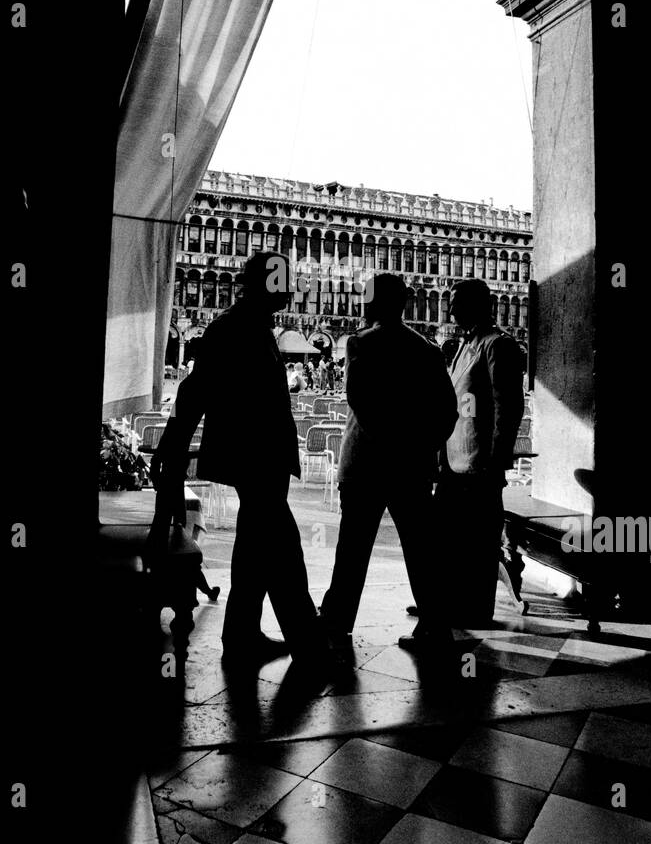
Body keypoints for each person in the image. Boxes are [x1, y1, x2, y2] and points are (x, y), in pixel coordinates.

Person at [150, 251, 327, 667]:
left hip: (262, 459)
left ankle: (242, 635)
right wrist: (172, 447)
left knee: (254, 549)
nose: (289, 287)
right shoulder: (233, 327)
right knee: (283, 549)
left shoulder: (256, 326)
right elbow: (193, 393)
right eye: (283, 279)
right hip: (255, 460)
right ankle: (309, 646)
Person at [319, 273, 458, 652]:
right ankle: (434, 623)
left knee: (352, 547)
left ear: (375, 304)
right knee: (420, 547)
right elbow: (448, 411)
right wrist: (421, 447)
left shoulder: (360, 343)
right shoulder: (428, 350)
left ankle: (337, 621)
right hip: (411, 467)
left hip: (365, 464)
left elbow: (360, 401)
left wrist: (387, 445)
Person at [435, 278, 525, 625]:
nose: (452, 309)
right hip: (453, 461)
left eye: (458, 302)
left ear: (479, 305)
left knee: (478, 541)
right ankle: (447, 600)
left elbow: (508, 406)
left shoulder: (498, 345)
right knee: (449, 538)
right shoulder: (465, 344)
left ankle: (475, 608)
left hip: (478, 463)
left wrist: (496, 457)